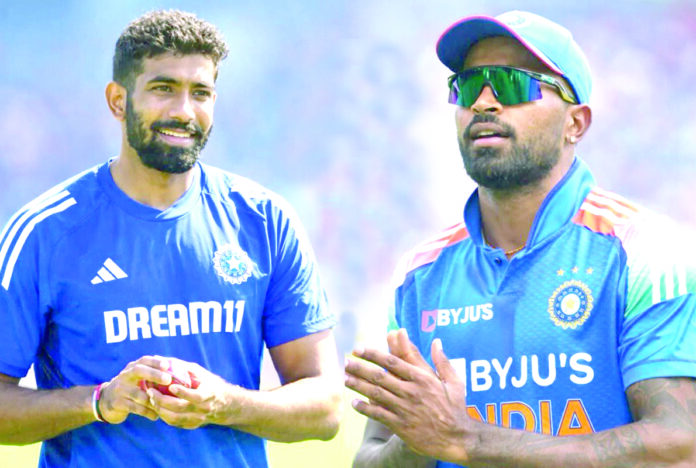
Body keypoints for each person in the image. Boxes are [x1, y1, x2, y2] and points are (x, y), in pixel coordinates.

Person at [345, 10, 696, 467]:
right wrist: (415, 441)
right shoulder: (420, 273)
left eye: (512, 85)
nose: (484, 103)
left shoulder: (645, 252)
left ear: (576, 123)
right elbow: (370, 457)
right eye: (468, 86)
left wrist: (465, 440)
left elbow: (678, 447)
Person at [0, 9, 342, 467]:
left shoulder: (264, 220)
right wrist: (99, 401)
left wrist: (225, 403)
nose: (183, 111)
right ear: (118, 101)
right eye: (163, 89)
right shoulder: (44, 232)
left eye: (200, 93)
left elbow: (325, 407)